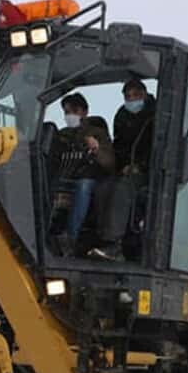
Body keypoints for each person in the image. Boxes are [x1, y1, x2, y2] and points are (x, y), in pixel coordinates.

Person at [88, 78, 155, 261]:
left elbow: (158, 147)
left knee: (121, 189)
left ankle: (115, 245)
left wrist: (139, 165)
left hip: (150, 172)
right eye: (127, 96)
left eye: (135, 95)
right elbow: (120, 145)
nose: (131, 100)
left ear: (144, 94)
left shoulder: (156, 114)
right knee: (102, 187)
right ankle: (99, 240)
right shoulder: (122, 115)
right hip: (125, 168)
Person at [54, 93, 115, 245]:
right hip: (63, 177)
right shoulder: (61, 134)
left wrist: (96, 149)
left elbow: (110, 162)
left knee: (83, 185)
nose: (70, 115)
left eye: (75, 110)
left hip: (90, 178)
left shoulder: (98, 133)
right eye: (67, 112)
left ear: (85, 111)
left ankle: (71, 237)